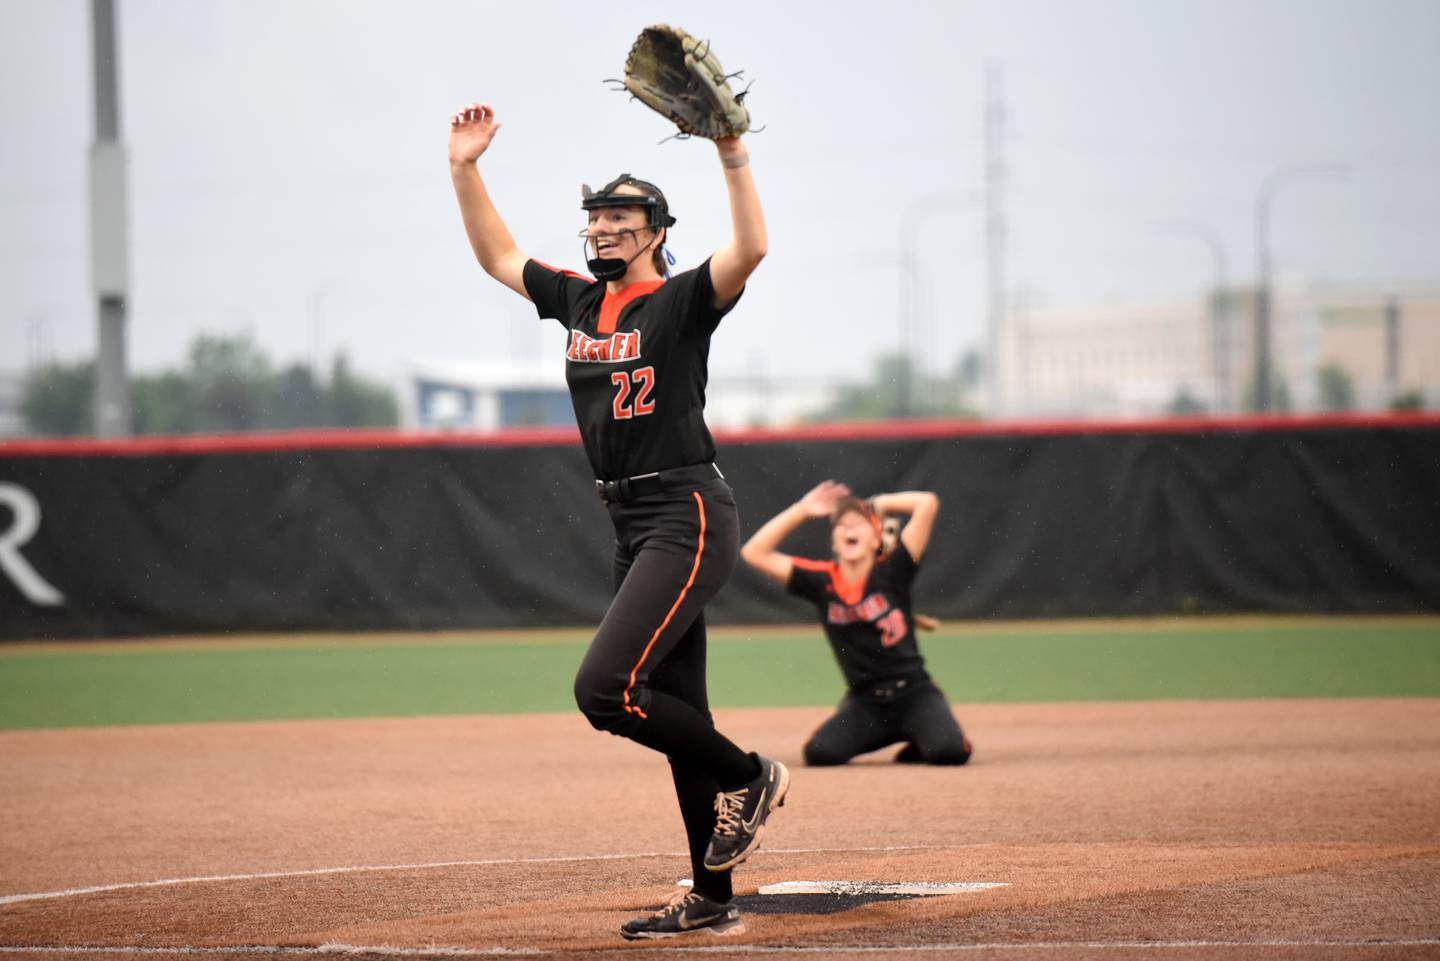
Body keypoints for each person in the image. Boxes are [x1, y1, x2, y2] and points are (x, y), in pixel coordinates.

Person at [447, 102, 787, 941]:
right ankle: (713, 897)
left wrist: (733, 153)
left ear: (656, 230)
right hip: (631, 518)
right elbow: (498, 255)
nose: (600, 227)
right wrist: (465, 169)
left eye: (619, 216)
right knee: (677, 708)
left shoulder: (674, 304)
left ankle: (751, 776)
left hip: (687, 511)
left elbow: (751, 250)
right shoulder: (577, 301)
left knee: (605, 689)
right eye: (594, 215)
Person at [741, 480, 973, 766]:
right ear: (834, 542)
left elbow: (927, 502)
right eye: (842, 525)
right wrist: (801, 510)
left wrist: (882, 504)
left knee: (949, 752)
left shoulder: (893, 569)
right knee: (820, 753)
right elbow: (754, 552)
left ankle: (923, 734)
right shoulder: (821, 581)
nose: (849, 529)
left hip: (915, 693)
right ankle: (914, 734)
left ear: (876, 539)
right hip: (866, 703)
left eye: (859, 523)